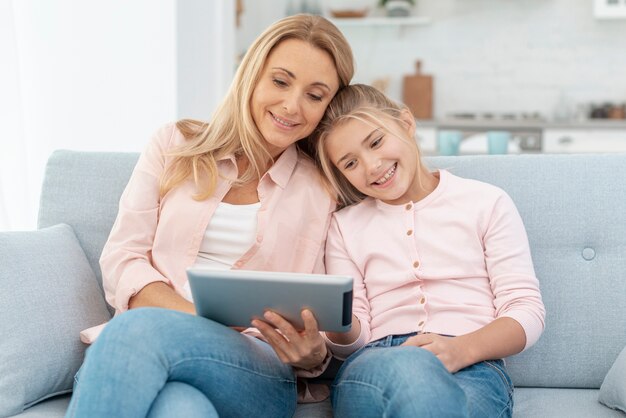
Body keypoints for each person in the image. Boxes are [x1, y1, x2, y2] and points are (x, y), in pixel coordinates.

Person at [65, 14, 354, 418]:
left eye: (315, 94)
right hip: (144, 346)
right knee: (180, 409)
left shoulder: (325, 187)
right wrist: (198, 319)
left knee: (135, 331)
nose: (292, 105)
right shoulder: (175, 144)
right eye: (281, 81)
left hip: (254, 369)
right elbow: (123, 259)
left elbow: (329, 311)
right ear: (251, 76)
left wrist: (315, 354)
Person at [311, 84, 546, 418]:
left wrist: (460, 349)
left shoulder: (486, 202)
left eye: (376, 142)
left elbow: (526, 311)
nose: (372, 166)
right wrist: (336, 323)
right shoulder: (344, 226)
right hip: (376, 362)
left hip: (473, 365)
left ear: (406, 123)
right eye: (350, 163)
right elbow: (352, 341)